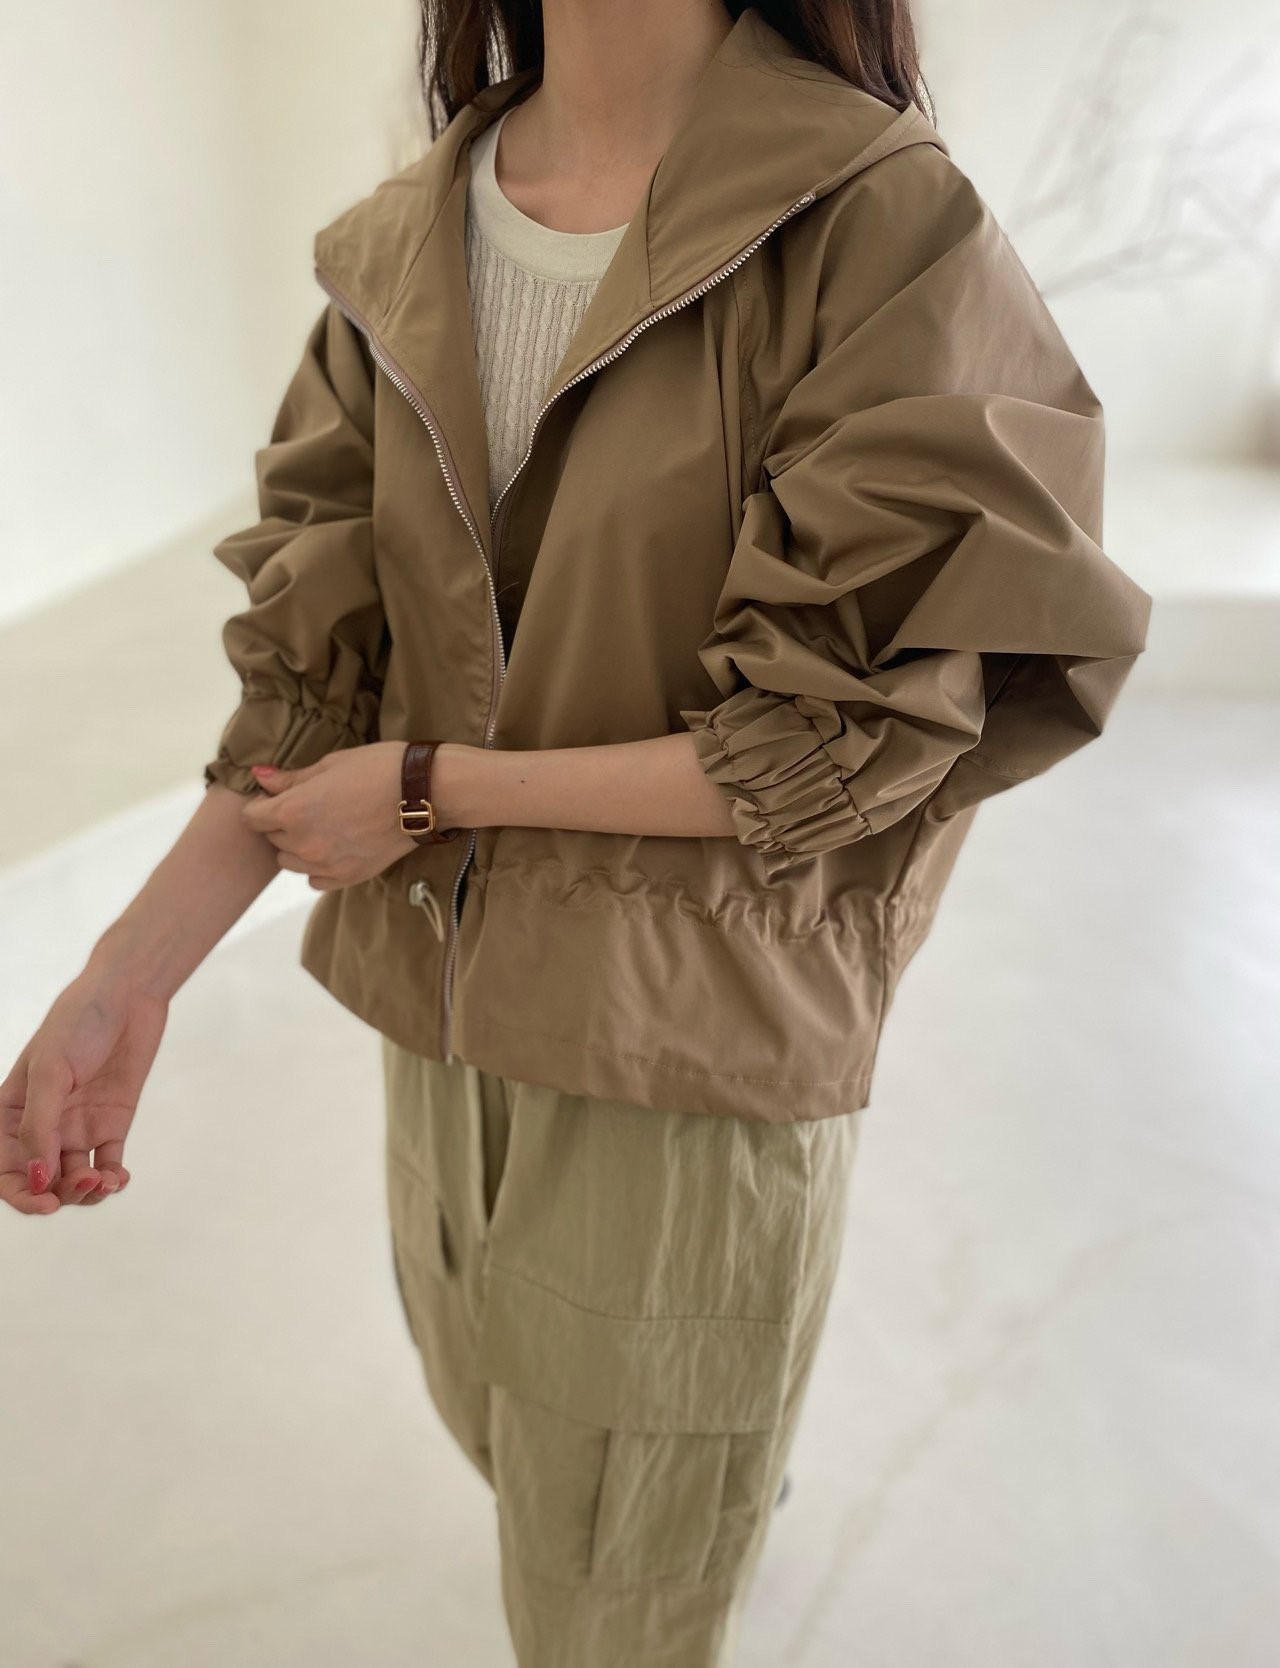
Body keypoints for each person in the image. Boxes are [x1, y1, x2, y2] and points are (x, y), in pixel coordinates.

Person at [1, 2, 1152, 1662]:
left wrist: (434, 788)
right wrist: (123, 982)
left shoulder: (880, 225)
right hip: (445, 1019)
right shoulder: (405, 243)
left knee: (613, 1598)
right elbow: (310, 699)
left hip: (686, 1048)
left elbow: (840, 732)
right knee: (506, 1433)